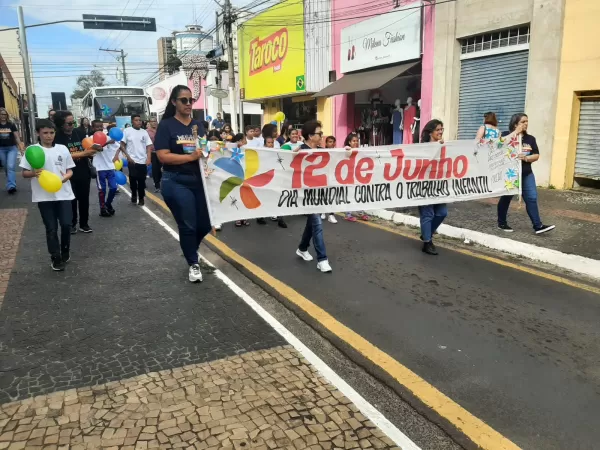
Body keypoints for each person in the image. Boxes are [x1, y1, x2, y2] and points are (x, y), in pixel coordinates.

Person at [154, 85, 212, 283]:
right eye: (184, 100)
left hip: (200, 181)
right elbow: (163, 156)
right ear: (174, 102)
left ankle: (189, 249)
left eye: (191, 100)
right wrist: (190, 157)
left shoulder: (199, 125)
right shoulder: (167, 126)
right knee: (188, 224)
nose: (188, 104)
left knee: (205, 223)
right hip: (176, 181)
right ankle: (193, 264)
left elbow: (203, 150)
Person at [20, 119, 75, 271]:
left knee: (66, 224)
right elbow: (24, 173)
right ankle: (55, 257)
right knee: (51, 228)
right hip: (44, 196)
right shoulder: (32, 150)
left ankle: (65, 250)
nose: (49, 136)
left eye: (51, 133)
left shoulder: (62, 149)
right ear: (38, 133)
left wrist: (66, 177)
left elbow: (70, 169)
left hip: (64, 194)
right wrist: (33, 173)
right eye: (45, 133)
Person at [497, 113, 555, 234]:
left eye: (527, 121)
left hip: (526, 173)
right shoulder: (505, 135)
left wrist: (526, 158)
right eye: (523, 122)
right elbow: (499, 145)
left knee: (532, 198)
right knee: (506, 198)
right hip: (511, 174)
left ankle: (538, 226)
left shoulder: (530, 139)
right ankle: (501, 222)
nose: (526, 124)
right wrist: (515, 133)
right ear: (515, 124)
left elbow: (536, 155)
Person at [295, 120, 332, 273]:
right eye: (319, 134)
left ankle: (302, 248)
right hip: (305, 195)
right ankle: (322, 259)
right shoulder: (300, 150)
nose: (322, 136)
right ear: (310, 136)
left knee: (312, 224)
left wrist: (348, 150)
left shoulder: (322, 150)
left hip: (319, 193)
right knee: (317, 223)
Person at [54, 110, 97, 234]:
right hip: (67, 172)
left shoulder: (79, 132)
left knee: (84, 199)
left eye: (73, 122)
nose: (72, 125)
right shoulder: (57, 137)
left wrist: (93, 150)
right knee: (71, 199)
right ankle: (72, 223)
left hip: (83, 170)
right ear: (61, 124)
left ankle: (84, 224)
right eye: (69, 123)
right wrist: (84, 153)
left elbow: (86, 146)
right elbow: (62, 155)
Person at [419, 120, 447, 255]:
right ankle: (427, 243)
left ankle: (426, 233)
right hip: (424, 186)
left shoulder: (444, 146)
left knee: (442, 213)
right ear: (430, 132)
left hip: (439, 186)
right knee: (428, 214)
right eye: (438, 130)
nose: (441, 132)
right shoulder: (421, 148)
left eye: (442, 129)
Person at [120, 114, 152, 206]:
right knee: (133, 179)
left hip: (143, 160)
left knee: (142, 180)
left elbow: (148, 146)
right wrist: (128, 157)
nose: (139, 122)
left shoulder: (144, 132)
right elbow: (122, 145)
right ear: (132, 122)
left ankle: (141, 198)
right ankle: (134, 194)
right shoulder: (127, 131)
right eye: (136, 120)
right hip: (132, 160)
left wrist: (148, 158)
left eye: (140, 120)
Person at [93, 123, 120, 217]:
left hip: (110, 167)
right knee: (102, 190)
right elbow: (98, 148)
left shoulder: (108, 137)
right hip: (99, 168)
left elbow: (117, 146)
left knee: (113, 187)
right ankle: (102, 209)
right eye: (97, 127)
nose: (99, 128)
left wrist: (116, 156)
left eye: (100, 126)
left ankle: (108, 204)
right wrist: (108, 143)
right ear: (93, 128)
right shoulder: (92, 139)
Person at [342, 133, 370, 222]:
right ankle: (348, 214)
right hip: (347, 176)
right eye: (353, 141)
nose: (356, 143)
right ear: (349, 142)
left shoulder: (358, 151)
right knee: (349, 195)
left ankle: (360, 212)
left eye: (357, 141)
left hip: (357, 176)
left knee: (358, 194)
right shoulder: (345, 150)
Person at [0, 107, 25, 194]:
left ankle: (11, 186)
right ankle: (11, 178)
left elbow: (17, 137)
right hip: (1, 149)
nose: (3, 116)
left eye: (4, 114)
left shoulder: (11, 125)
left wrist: (21, 148)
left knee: (10, 166)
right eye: (1, 114)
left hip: (12, 148)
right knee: (6, 166)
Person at [146, 117, 161, 192]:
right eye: (152, 121)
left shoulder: (161, 130)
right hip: (153, 153)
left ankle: (161, 182)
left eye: (155, 121)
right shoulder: (147, 132)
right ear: (149, 123)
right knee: (155, 169)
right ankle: (157, 185)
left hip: (161, 152)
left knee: (162, 169)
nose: (154, 122)